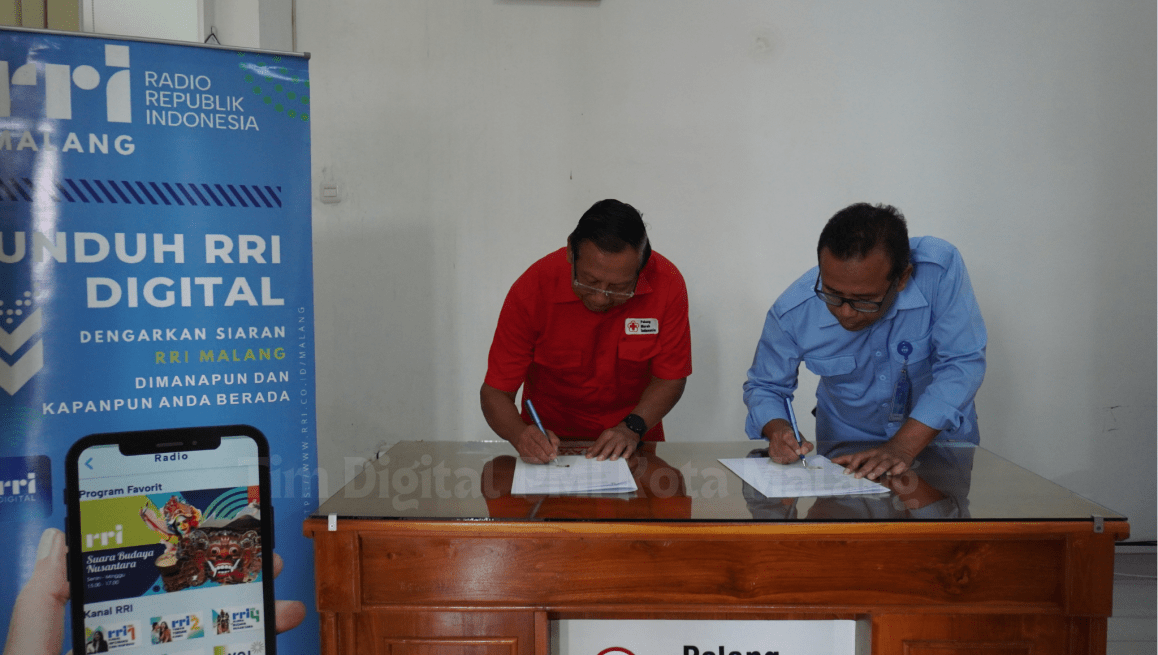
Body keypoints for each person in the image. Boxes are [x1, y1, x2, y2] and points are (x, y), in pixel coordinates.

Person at [743, 202, 986, 481]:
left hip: (939, 443)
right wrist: (778, 430)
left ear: (902, 278)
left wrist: (903, 445)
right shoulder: (792, 312)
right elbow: (765, 386)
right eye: (832, 294)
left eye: (864, 300)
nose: (846, 313)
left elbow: (962, 363)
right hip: (846, 452)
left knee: (939, 510)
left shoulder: (938, 271)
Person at [482, 199, 692, 463]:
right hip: (552, 447)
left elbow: (670, 378)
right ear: (571, 251)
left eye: (619, 288)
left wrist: (632, 427)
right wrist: (520, 434)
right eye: (589, 282)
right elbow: (495, 393)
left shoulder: (667, 283)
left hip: (633, 441)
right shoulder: (533, 289)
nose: (601, 298)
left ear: (641, 267)